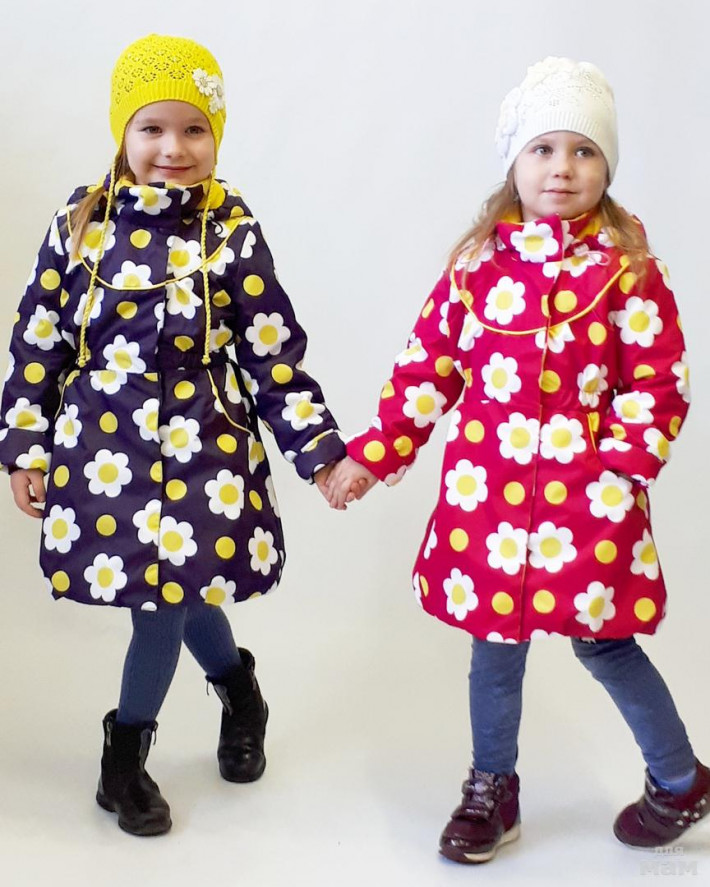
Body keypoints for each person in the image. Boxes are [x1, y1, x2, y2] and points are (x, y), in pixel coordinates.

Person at [326, 57, 708, 863]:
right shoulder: (475, 269)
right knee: (494, 648)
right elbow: (426, 372)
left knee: (606, 641)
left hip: (587, 500)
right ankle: (491, 789)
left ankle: (680, 780)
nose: (562, 167)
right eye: (544, 149)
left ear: (607, 165)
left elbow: (659, 381)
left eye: (584, 150)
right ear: (515, 162)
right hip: (489, 498)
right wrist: (371, 455)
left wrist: (621, 470)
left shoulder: (629, 271)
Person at [0, 33, 346, 837]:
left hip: (206, 447)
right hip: (104, 450)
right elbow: (38, 342)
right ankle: (241, 692)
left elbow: (272, 353)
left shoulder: (231, 228)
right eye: (152, 128)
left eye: (194, 129)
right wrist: (23, 445)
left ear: (215, 135)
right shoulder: (79, 225)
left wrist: (321, 452)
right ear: (122, 131)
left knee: (168, 599)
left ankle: (122, 759)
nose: (173, 148)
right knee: (174, 594)